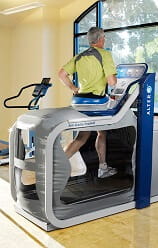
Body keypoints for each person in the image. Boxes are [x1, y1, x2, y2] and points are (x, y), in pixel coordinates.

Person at [58, 27, 117, 178]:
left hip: (79, 101)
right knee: (102, 131)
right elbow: (111, 82)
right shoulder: (105, 54)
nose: (105, 40)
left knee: (82, 136)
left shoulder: (79, 56)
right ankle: (103, 168)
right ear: (101, 39)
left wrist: (73, 88)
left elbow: (61, 74)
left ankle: (56, 167)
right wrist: (116, 80)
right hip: (96, 102)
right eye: (104, 37)